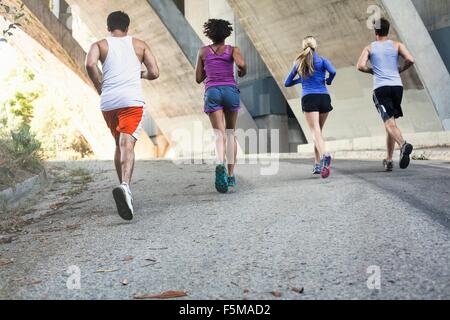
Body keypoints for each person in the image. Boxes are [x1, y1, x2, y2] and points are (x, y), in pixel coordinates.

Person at [85, 11, 159, 220]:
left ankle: (124, 189)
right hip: (131, 101)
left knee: (119, 143)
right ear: (127, 28)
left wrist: (100, 84)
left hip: (108, 102)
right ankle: (125, 186)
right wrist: (140, 73)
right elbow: (154, 72)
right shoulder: (139, 45)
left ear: (109, 27)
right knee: (127, 144)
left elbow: (90, 64)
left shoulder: (99, 45)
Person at [195, 19, 246, 193]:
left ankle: (219, 163)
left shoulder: (203, 52)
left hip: (212, 92)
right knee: (231, 133)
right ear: (226, 34)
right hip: (230, 91)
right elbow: (242, 65)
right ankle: (231, 175)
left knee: (219, 134)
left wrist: (209, 69)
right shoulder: (233, 50)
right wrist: (241, 70)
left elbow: (198, 78)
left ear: (209, 34)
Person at [357, 18, 415, 171]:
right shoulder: (397, 45)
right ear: (387, 30)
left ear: (375, 31)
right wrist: (400, 70)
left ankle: (403, 145)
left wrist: (371, 71)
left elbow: (360, 66)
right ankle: (389, 160)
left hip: (381, 88)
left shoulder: (370, 48)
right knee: (390, 123)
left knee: (389, 123)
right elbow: (410, 59)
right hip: (397, 87)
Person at [285, 36, 336, 179]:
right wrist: (329, 81)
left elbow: (287, 82)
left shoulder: (299, 62)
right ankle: (317, 164)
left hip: (309, 98)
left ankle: (325, 155)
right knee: (318, 132)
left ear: (303, 46)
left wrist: (301, 79)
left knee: (315, 132)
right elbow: (333, 72)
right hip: (324, 97)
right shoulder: (323, 60)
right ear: (315, 45)